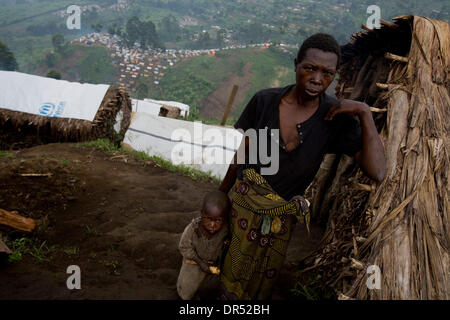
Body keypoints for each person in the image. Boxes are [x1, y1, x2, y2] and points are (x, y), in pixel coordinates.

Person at [218, 33, 386, 300]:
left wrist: (364, 112)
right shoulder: (264, 101)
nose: (317, 79)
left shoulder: (335, 118)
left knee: (262, 276)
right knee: (230, 265)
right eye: (309, 68)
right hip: (243, 204)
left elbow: (377, 171)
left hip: (280, 219)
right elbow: (245, 150)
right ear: (296, 64)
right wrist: (222, 191)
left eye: (327, 73)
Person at [176, 190, 230, 300]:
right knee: (186, 290)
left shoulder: (225, 231)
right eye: (208, 219)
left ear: (225, 219)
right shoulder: (193, 229)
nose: (212, 225)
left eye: (218, 220)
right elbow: (183, 246)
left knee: (208, 288)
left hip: (213, 267)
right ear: (202, 213)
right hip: (193, 264)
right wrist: (200, 262)